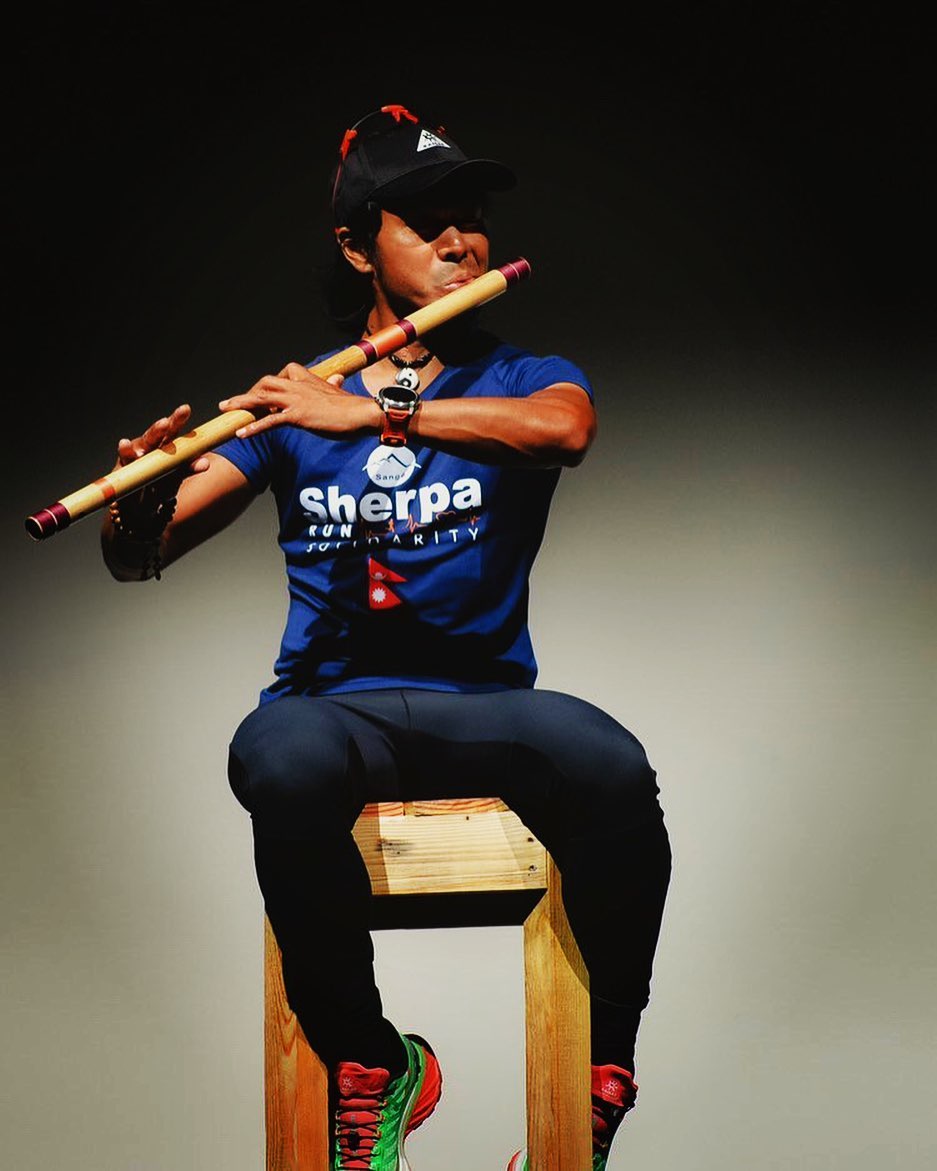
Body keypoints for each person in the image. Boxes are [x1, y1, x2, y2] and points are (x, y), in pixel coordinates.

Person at [101, 103, 672, 1171]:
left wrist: (379, 413)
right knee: (274, 756)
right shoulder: (295, 405)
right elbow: (139, 555)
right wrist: (139, 502)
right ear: (359, 247)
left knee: (609, 762)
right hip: (336, 717)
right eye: (427, 222)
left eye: (472, 219)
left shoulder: (518, 376)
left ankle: (600, 1075)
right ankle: (372, 1063)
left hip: (486, 709)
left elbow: (566, 430)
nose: (462, 241)